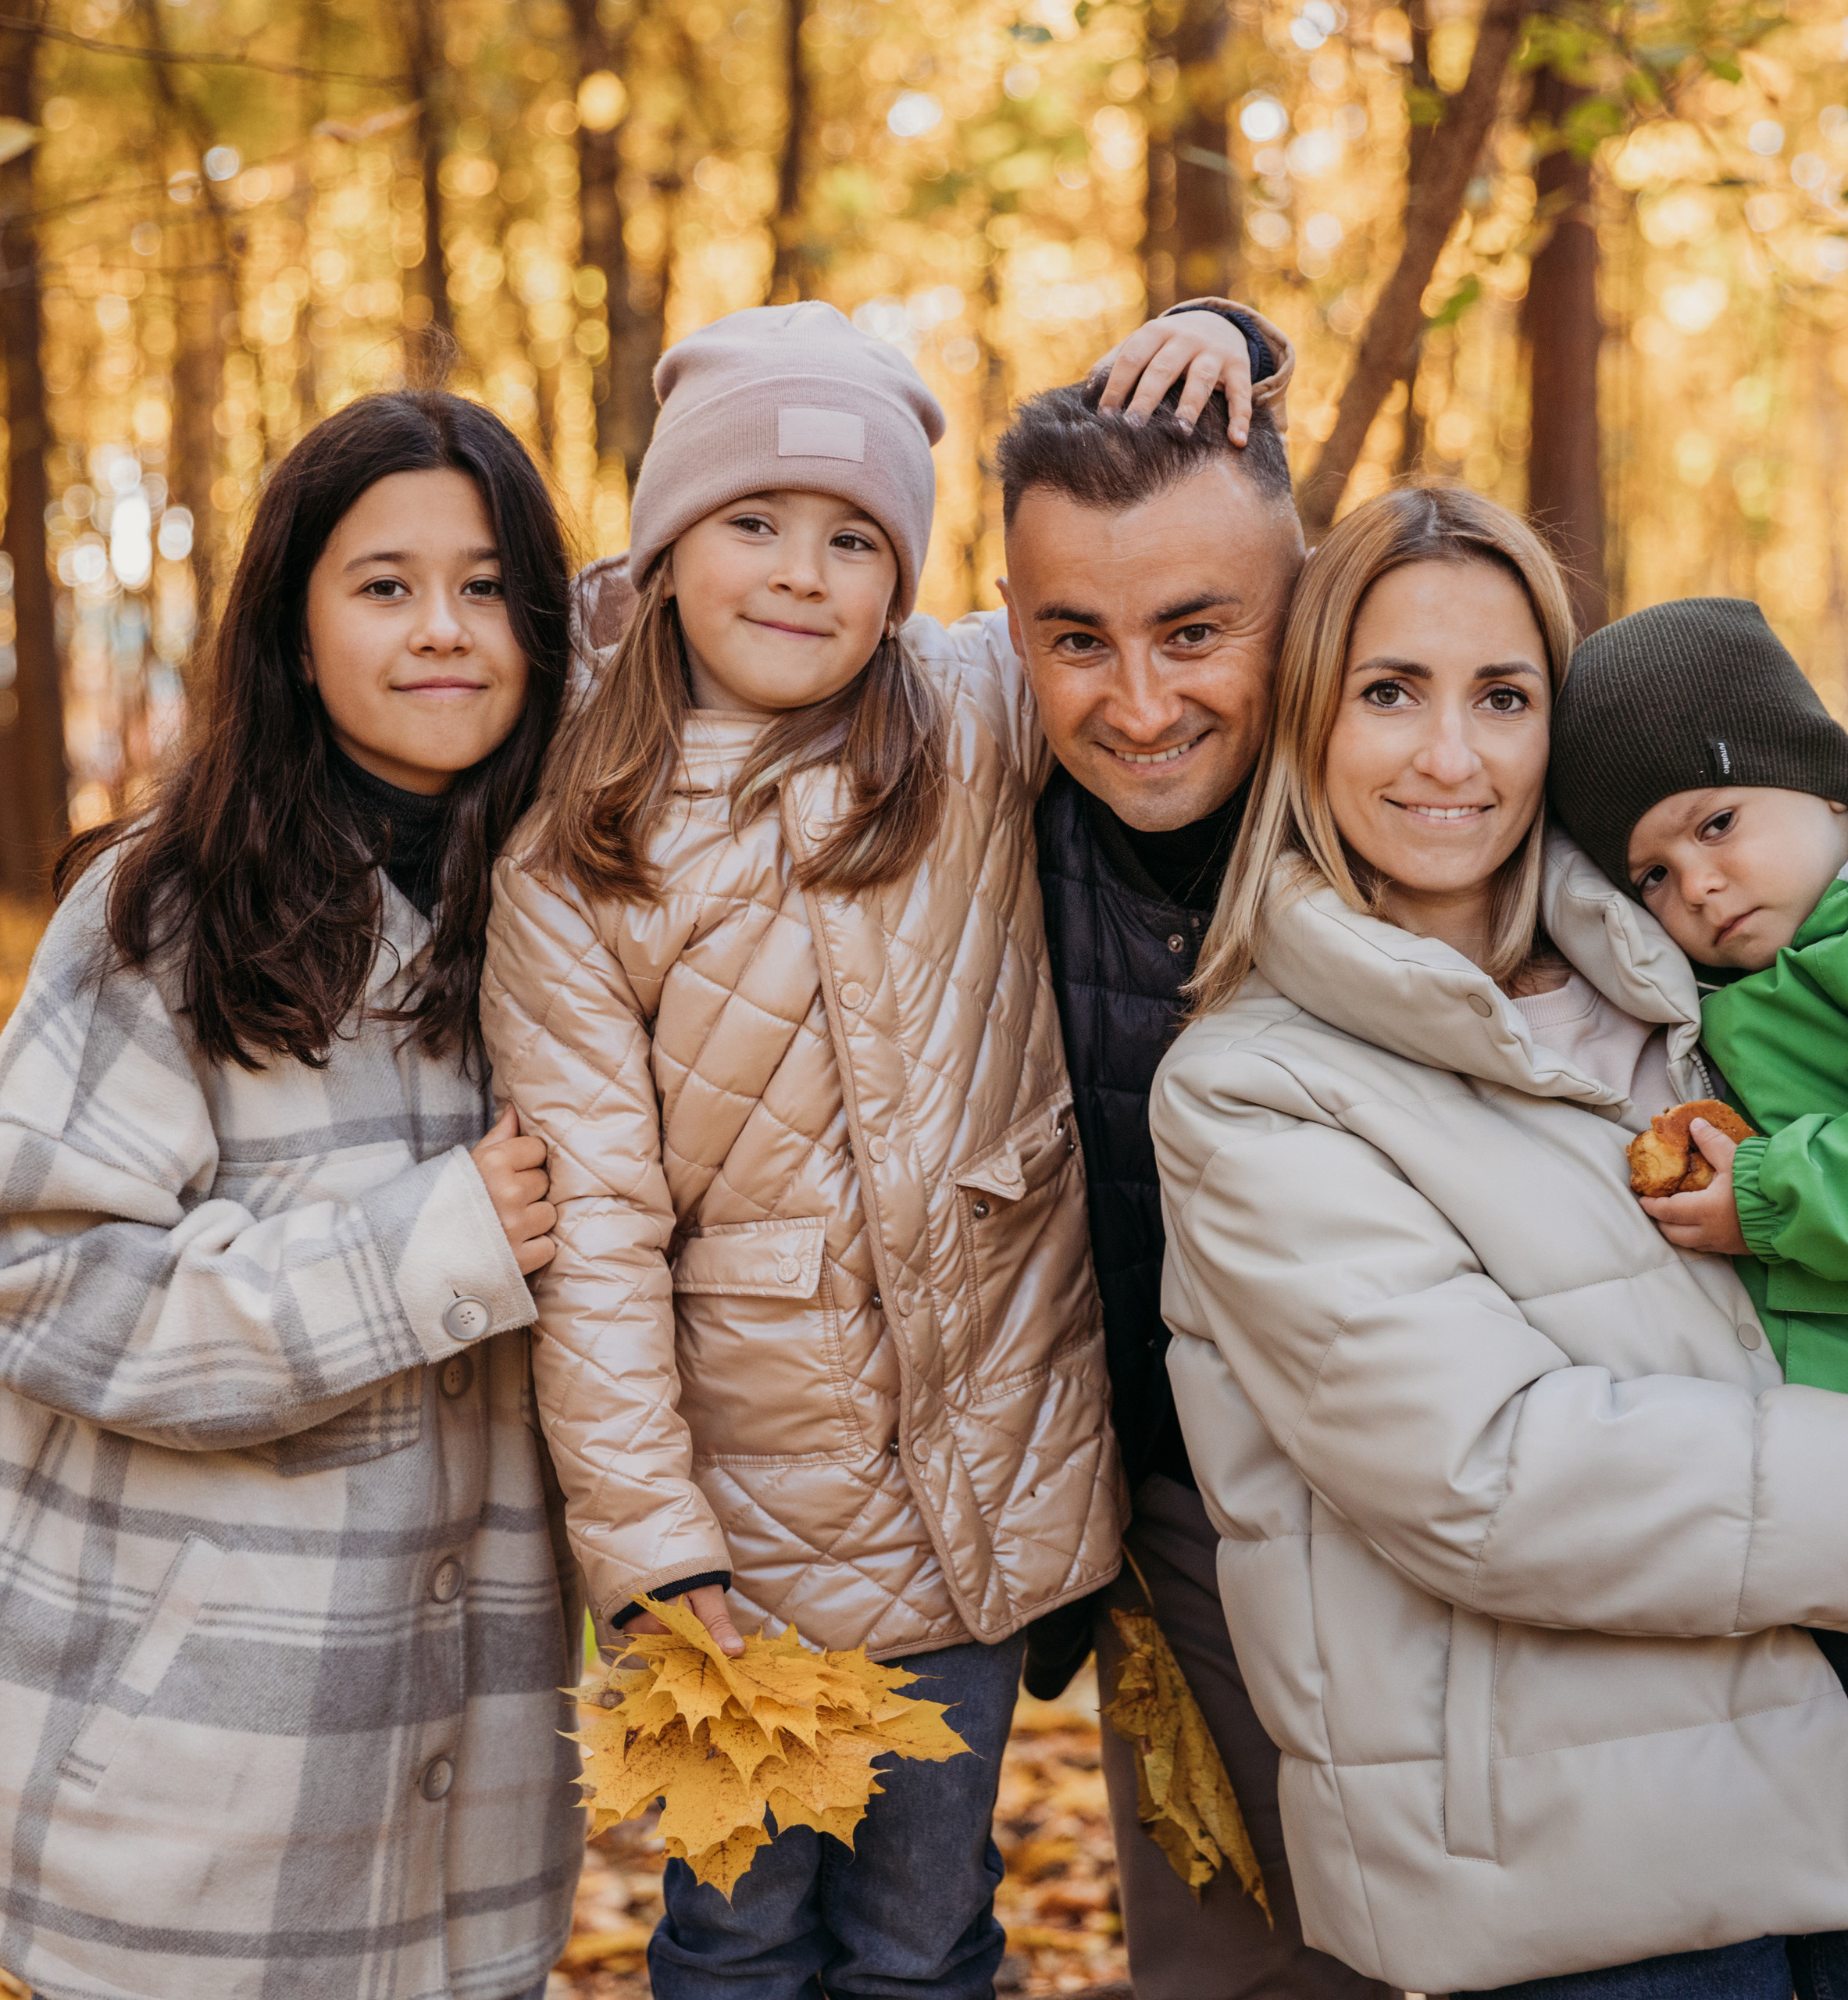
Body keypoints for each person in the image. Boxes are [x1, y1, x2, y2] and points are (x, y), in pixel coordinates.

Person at [1148, 484, 1848, 1997]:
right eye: (1388, 692)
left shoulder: (1694, 970)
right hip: (1584, 1844)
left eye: (1502, 695)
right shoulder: (1250, 1090)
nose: (1449, 755)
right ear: (1306, 723)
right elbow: (1496, 1471)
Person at [479, 302, 1126, 2000]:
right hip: (737, 1536)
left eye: (855, 538)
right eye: (752, 520)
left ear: (904, 575)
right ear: (670, 544)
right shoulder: (579, 853)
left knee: (926, 1927)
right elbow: (596, 1235)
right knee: (737, 1932)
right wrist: (654, 1548)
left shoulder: (969, 717)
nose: (800, 571)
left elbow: (1152, 619)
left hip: (977, 1497)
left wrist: (1214, 344)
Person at [0, 391, 580, 2000]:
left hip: (476, 1826)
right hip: (194, 1803)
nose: (442, 629)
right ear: (294, 627)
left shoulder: (574, 923)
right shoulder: (162, 914)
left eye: (484, 586)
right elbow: (42, 1280)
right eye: (383, 584)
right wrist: (425, 1248)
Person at [995, 365, 1393, 1999]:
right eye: (1075, 638)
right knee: (1242, 1969)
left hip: (1457, 1484)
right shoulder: (975, 794)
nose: (1138, 703)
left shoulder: (1412, 785)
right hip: (1180, 1526)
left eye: (1194, 630)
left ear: (1299, 619)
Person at [1550, 597, 1848, 1744]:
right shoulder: (1755, 980)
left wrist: (1767, 1197)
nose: (1694, 886)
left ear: (1824, 779)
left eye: (1716, 824)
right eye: (1649, 874)